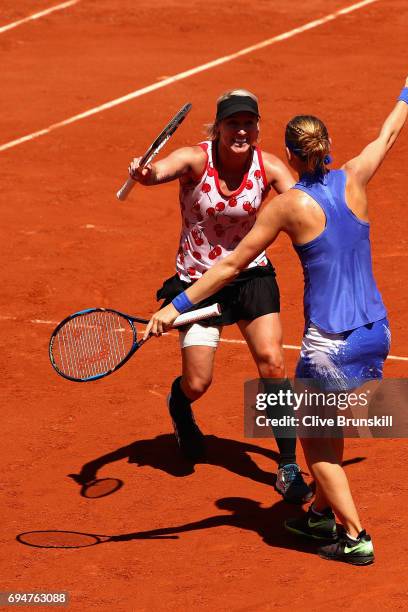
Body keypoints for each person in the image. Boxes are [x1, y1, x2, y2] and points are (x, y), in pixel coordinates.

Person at [143, 60, 408, 564]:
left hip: (330, 343)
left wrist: (175, 307)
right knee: (331, 425)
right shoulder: (356, 176)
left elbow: (232, 264)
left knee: (317, 449)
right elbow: (387, 135)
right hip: (376, 332)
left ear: (288, 153)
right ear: (326, 146)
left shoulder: (288, 207)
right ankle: (321, 515)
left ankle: (354, 534)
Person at [128, 89, 312, 503]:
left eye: (249, 124)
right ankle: (179, 404)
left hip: (250, 277)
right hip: (198, 284)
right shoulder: (197, 159)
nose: (241, 131)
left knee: (272, 361)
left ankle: (286, 465)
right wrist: (145, 173)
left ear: (258, 128)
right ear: (219, 128)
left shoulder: (269, 167)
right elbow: (162, 170)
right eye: (233, 124)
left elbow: (304, 202)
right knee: (198, 381)